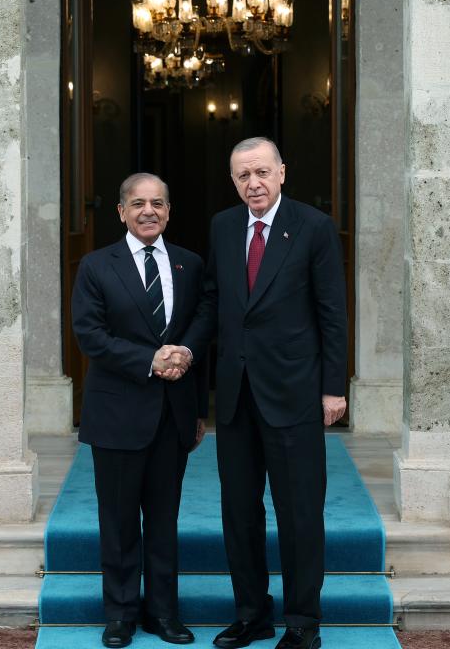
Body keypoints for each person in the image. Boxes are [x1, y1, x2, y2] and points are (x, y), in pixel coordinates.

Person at [172, 137, 347, 649]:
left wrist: (333, 388)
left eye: (262, 172)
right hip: (236, 398)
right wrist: (187, 350)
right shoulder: (224, 227)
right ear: (233, 181)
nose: (254, 183)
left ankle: (302, 621)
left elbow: (332, 313)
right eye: (243, 175)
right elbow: (213, 302)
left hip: (295, 394)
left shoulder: (313, 227)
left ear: (282, 173)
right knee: (239, 513)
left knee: (299, 513)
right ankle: (252, 614)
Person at [72, 173, 207, 648]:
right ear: (121, 212)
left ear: (168, 211)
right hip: (116, 415)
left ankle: (163, 613)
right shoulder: (95, 266)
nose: (148, 211)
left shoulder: (190, 264)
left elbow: (203, 322)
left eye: (158, 203)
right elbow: (90, 335)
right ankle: (121, 614)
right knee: (119, 520)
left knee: (165, 522)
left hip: (173, 414)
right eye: (138, 203)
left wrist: (186, 359)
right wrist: (151, 360)